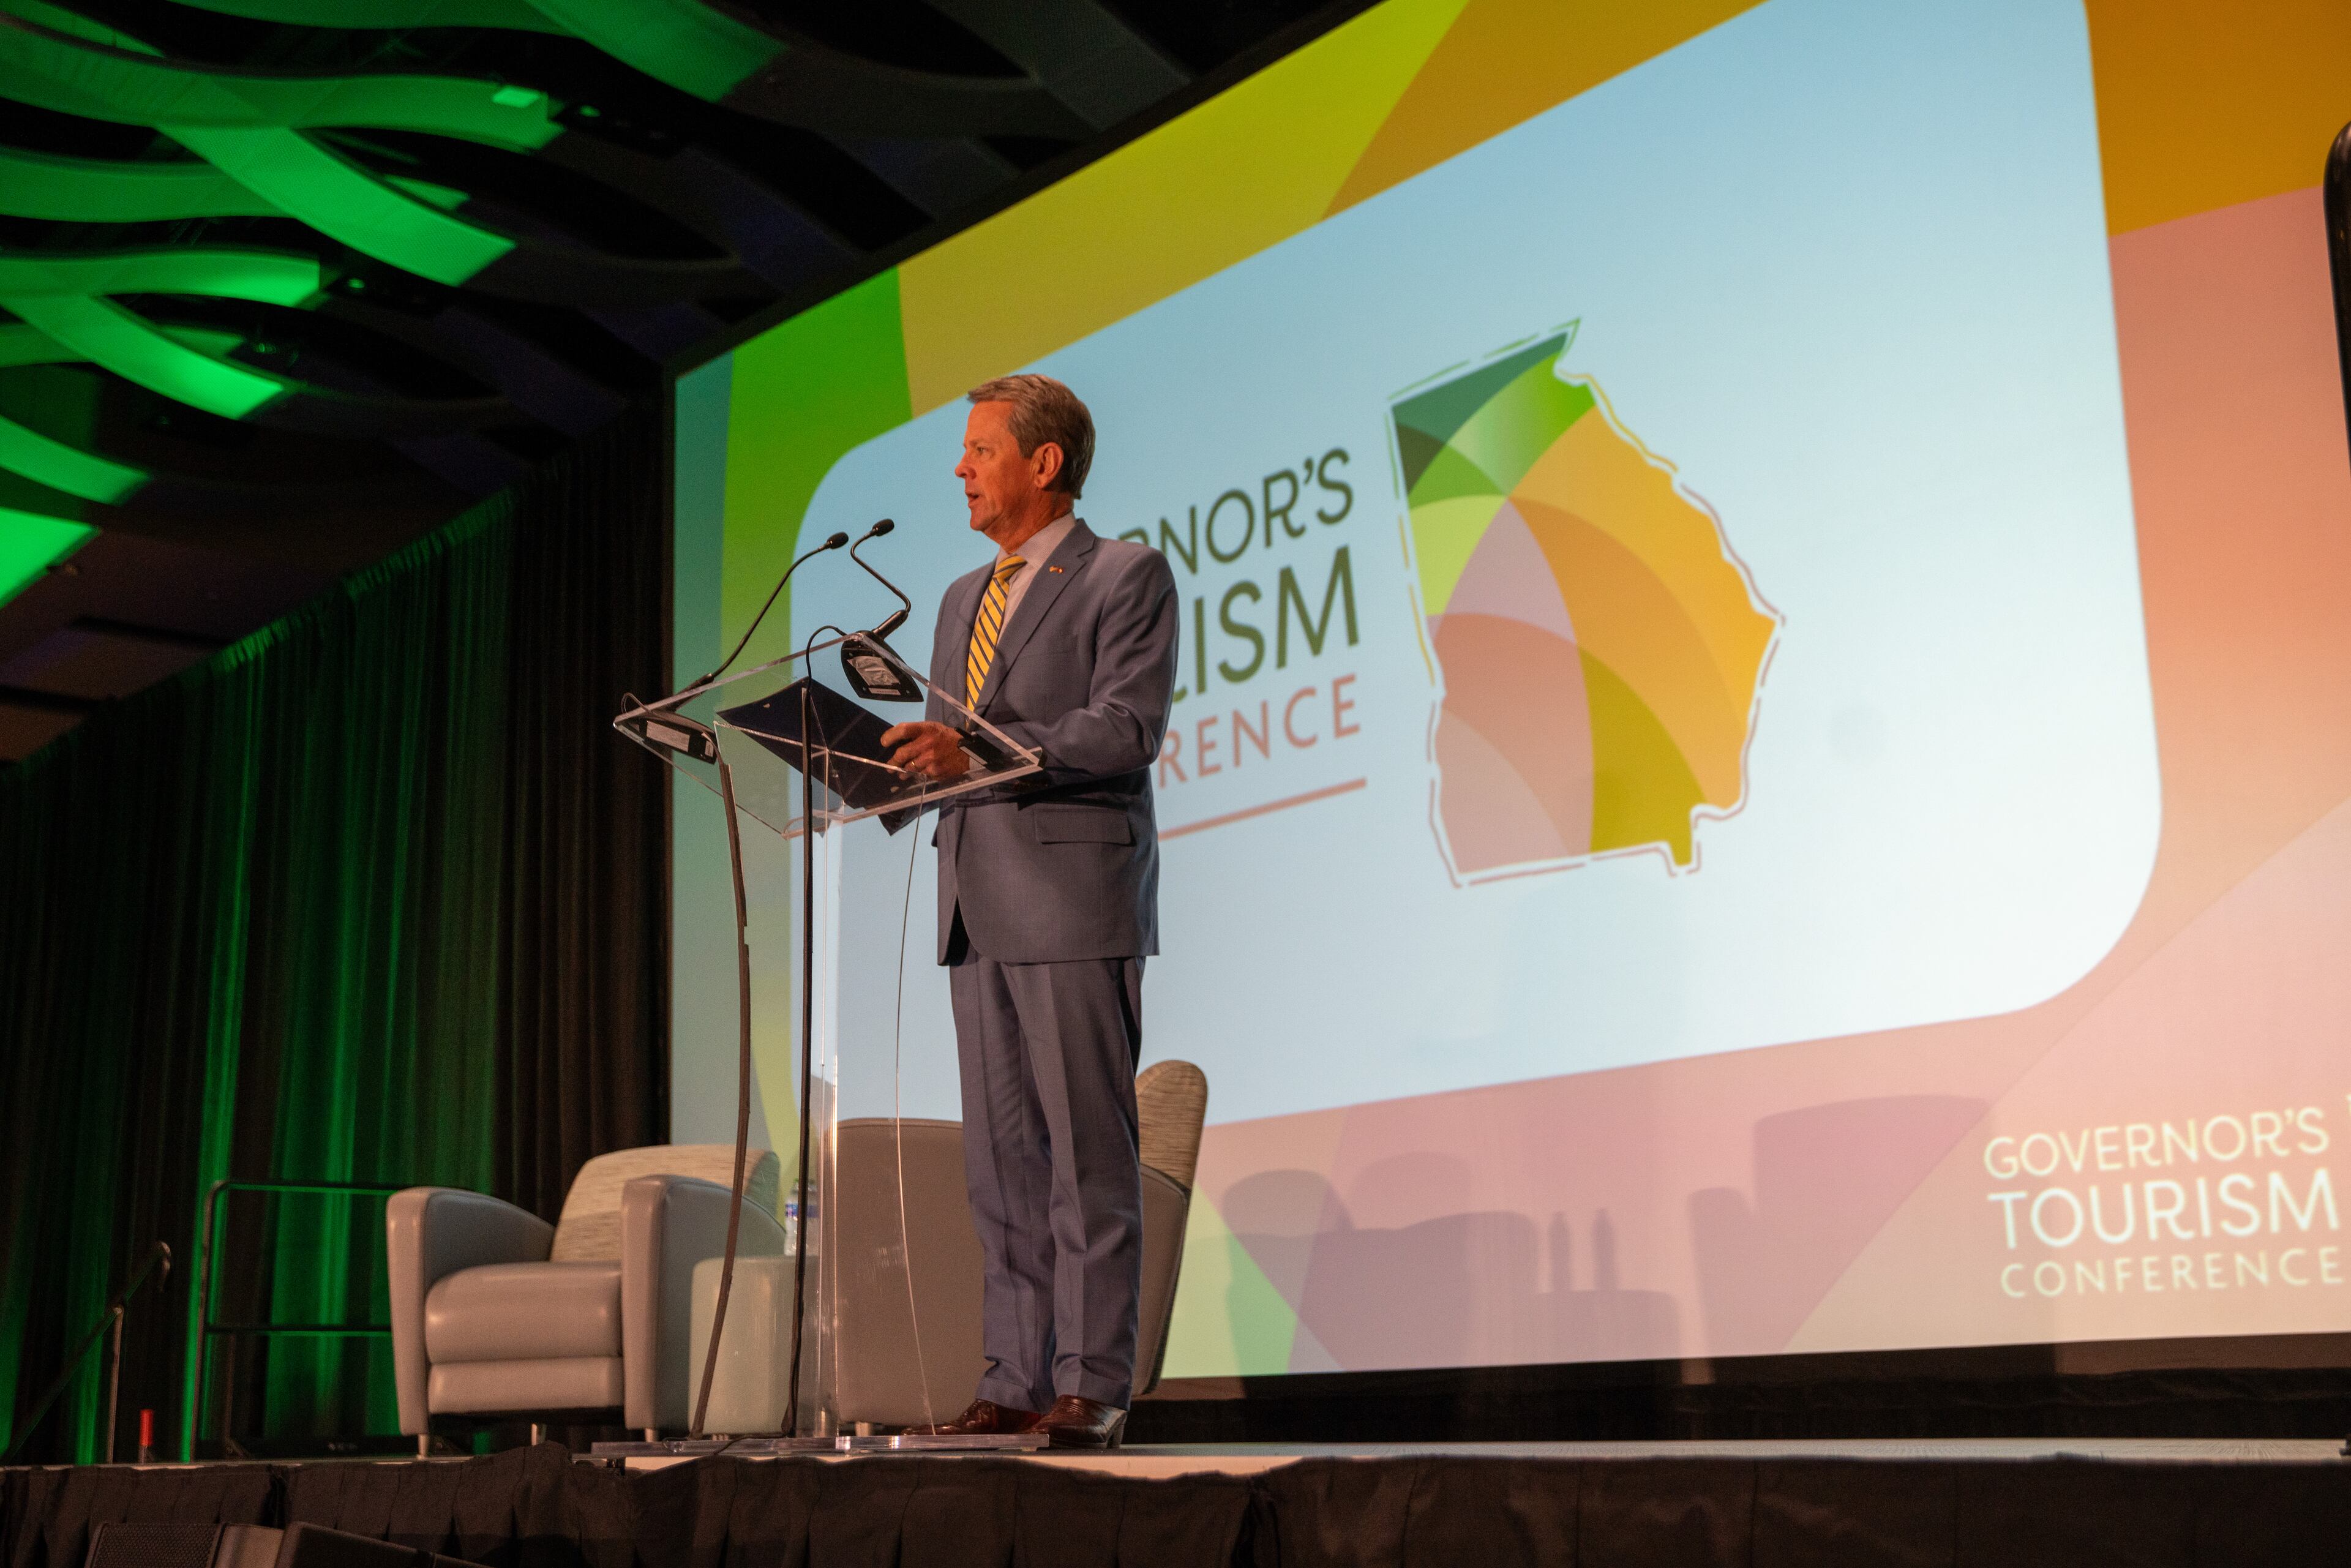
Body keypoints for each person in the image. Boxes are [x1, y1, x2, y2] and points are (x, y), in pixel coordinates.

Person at [879, 374, 1179, 1449]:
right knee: (999, 1166)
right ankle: (1013, 1376)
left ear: (1043, 463)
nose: (960, 467)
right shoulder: (962, 596)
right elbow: (945, 747)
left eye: (979, 449)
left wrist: (981, 753)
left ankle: (1091, 1383)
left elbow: (1124, 728)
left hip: (1071, 897)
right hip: (975, 902)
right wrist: (881, 769)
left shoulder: (1125, 575)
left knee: (1084, 1156)